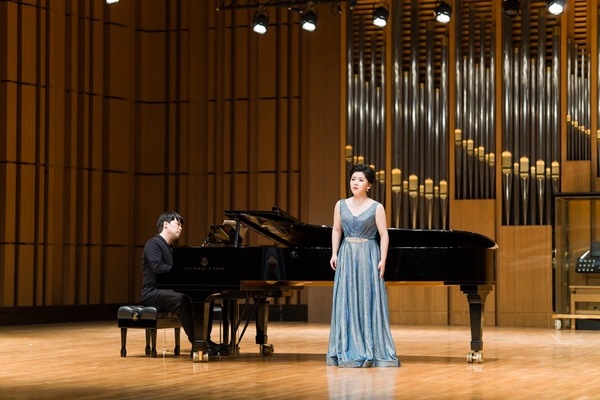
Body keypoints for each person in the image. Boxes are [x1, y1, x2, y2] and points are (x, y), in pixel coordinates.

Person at [326, 164, 400, 368]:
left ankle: (370, 346)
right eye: (353, 179)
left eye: (360, 180)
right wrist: (334, 253)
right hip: (347, 255)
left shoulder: (377, 207)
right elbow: (336, 230)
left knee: (367, 299)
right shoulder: (340, 205)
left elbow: (384, 235)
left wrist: (383, 259)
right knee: (347, 299)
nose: (355, 183)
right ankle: (347, 347)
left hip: (368, 255)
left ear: (369, 185)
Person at [141, 211, 216, 356]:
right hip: (151, 292)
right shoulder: (153, 244)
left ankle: (205, 340)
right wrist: (181, 271)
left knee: (206, 297)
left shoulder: (170, 248)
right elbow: (157, 267)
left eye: (181, 225)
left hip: (166, 292)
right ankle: (197, 342)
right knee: (181, 299)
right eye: (178, 224)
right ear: (165, 224)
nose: (181, 228)